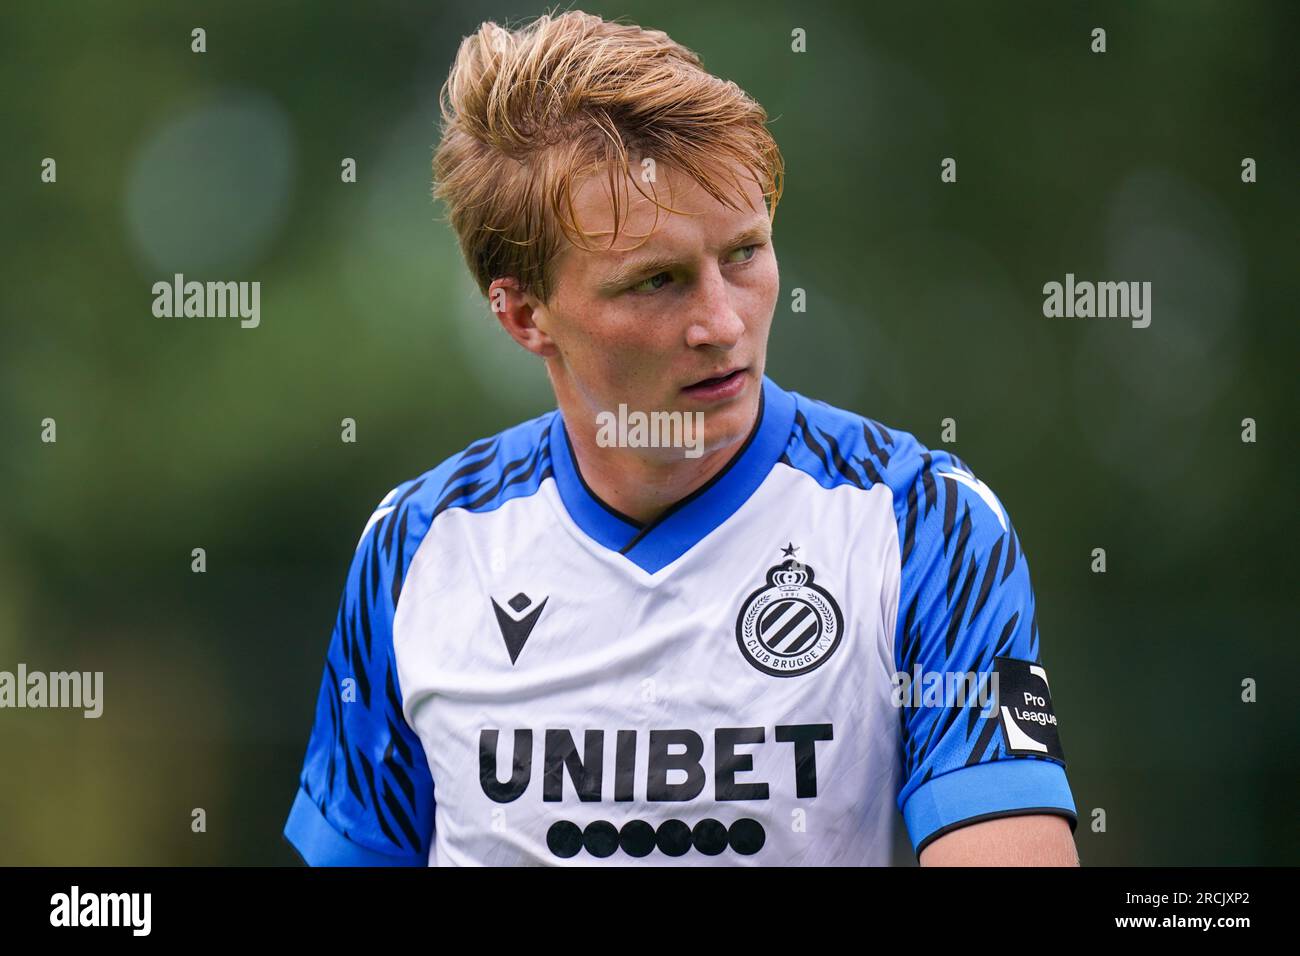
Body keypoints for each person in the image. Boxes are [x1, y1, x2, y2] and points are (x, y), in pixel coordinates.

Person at [283, 10, 1079, 866]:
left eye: (743, 254)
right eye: (655, 281)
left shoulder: (925, 521)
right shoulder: (417, 548)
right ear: (523, 315)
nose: (721, 322)